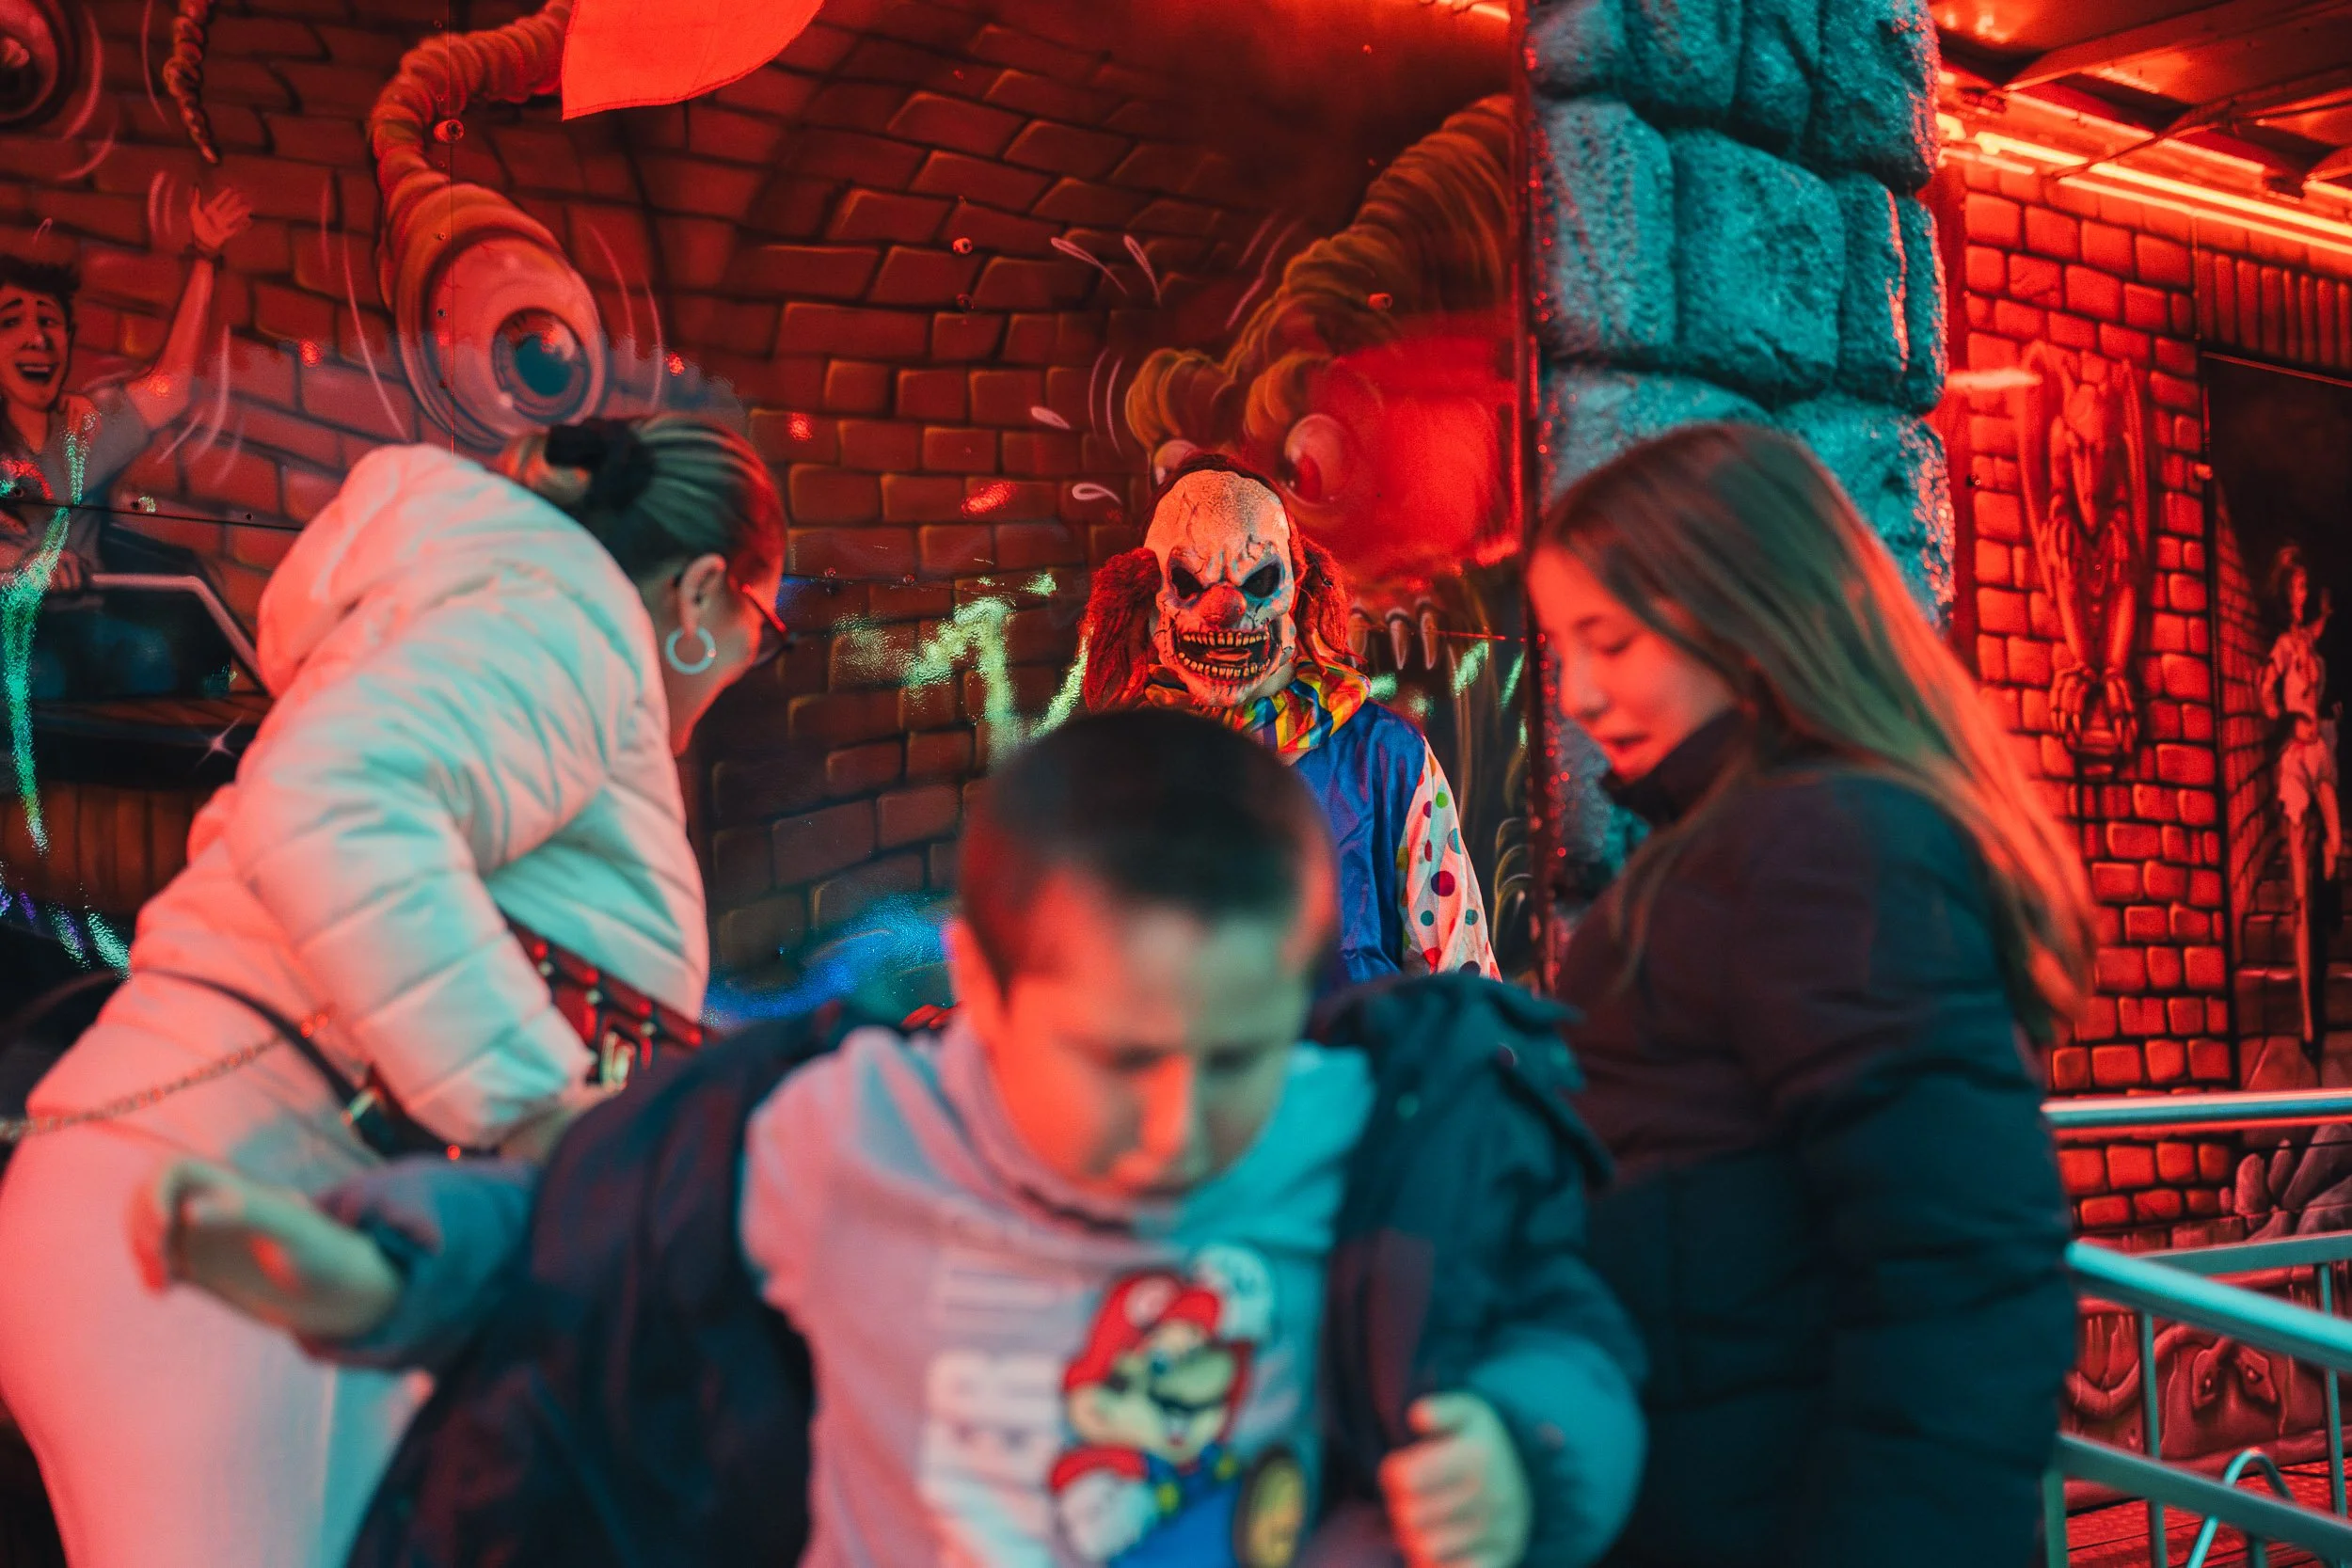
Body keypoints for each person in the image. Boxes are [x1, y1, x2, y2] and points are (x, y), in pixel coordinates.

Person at [134, 708, 1646, 1568]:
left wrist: (1529, 1444)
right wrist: (368, 1266)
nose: (1183, 1123)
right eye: (1119, 1058)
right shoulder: (848, 1132)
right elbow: (588, 1231)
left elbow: (1555, 1321)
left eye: (1239, 1054)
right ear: (981, 986)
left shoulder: (1378, 1136)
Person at [0, 413, 787, 1568]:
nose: (742, 663)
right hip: (232, 1219)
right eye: (760, 630)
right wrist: (533, 1110)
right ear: (703, 592)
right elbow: (334, 802)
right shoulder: (561, 617)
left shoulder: (495, 603)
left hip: (219, 1210)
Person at [1527, 424, 2091, 1567]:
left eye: (1611, 640)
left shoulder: (1821, 846)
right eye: (1560, 649)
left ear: (1746, 614)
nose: (1577, 693)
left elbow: (1957, 1281)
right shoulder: (1745, 842)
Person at [1078, 452, 1498, 991]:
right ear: (1147, 596)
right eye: (1187, 581)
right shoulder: (1110, 767)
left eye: (1260, 581)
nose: (1223, 608)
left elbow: (1462, 980)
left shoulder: (1389, 760)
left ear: (1297, 586)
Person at [0, 190, 253, 698]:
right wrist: (22, 569)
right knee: (34, 680)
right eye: (11, 322)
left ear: (68, 337)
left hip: (85, 626)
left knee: (150, 659)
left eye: (48, 321)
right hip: (14, 637)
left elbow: (172, 387)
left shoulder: (86, 428)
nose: (37, 339)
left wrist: (203, 257)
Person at [2263, 544, 2340, 1049]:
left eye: (2304, 589)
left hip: (2319, 755)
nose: (2302, 595)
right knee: (2300, 896)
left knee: (2333, 843)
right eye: (2296, 588)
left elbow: (2313, 634)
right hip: (2295, 758)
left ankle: (2326, 887)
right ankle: (2309, 1019)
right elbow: (2266, 691)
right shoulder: (2283, 649)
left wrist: (2325, 617)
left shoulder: (2305, 643)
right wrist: (2283, 715)